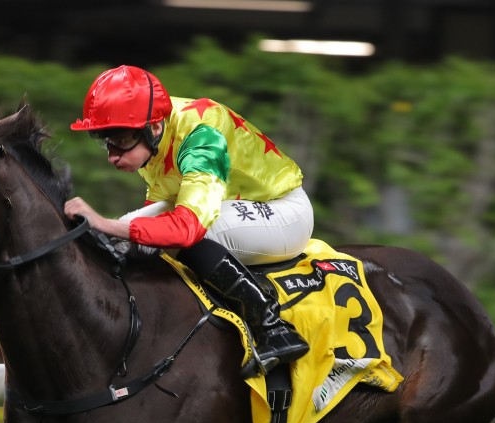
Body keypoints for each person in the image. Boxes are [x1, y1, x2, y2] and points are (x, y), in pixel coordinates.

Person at [63, 65, 312, 377]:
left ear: (154, 128)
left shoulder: (201, 137)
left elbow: (186, 229)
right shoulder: (152, 134)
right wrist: (118, 233)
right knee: (127, 236)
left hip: (284, 211)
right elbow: (154, 217)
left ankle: (274, 328)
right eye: (106, 142)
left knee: (186, 238)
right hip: (233, 201)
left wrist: (104, 223)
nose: (112, 156)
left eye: (121, 141)